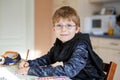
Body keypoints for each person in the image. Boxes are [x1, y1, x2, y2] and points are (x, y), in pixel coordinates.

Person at [17, 6, 105, 80]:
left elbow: (69, 70)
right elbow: (48, 58)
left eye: (69, 25)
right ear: (54, 28)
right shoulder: (60, 42)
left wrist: (31, 70)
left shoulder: (81, 46)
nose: (63, 29)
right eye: (59, 25)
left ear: (77, 29)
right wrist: (30, 63)